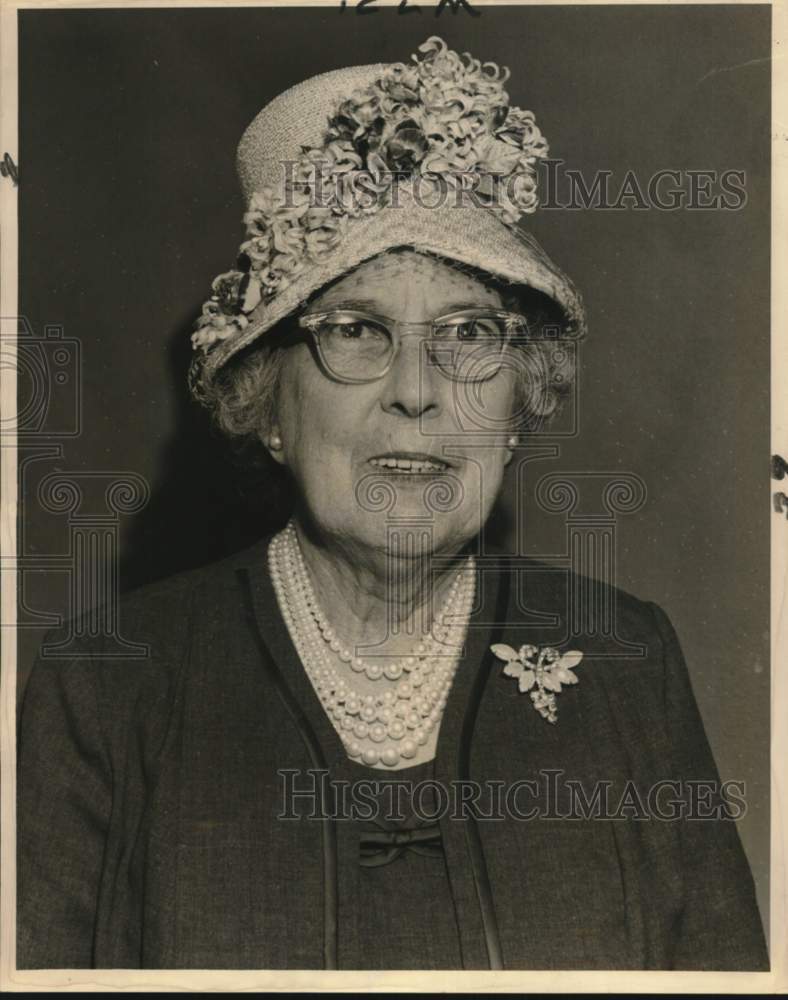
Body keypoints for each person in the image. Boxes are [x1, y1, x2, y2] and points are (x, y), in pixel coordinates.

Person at [17, 36, 768, 971]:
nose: (417, 390)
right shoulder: (104, 688)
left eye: (469, 334)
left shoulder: (628, 663)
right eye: (356, 330)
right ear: (267, 404)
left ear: (516, 405)